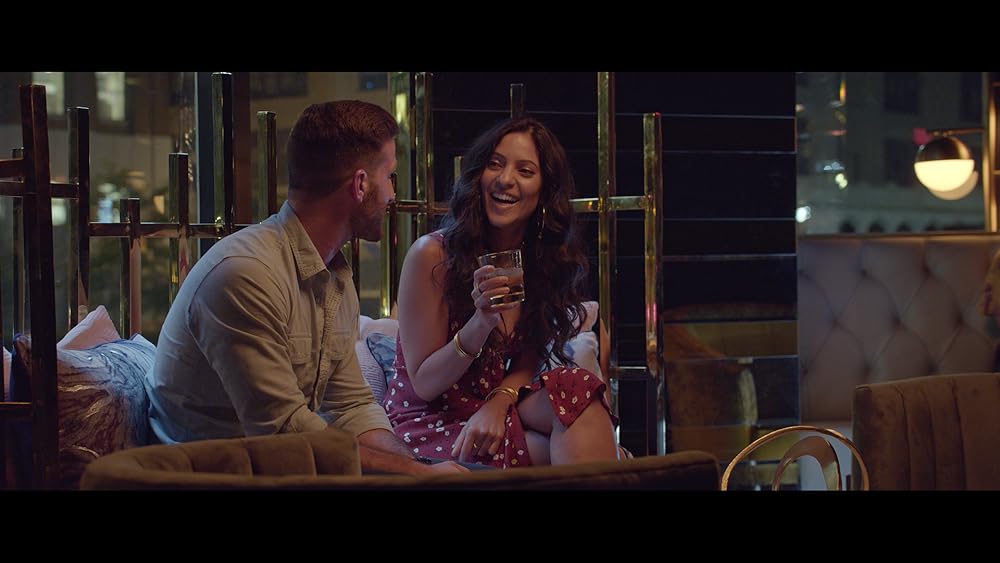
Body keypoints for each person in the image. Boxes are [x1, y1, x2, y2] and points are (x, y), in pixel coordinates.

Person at [144, 100, 465, 475]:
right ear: (360, 184)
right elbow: (284, 432)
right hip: (211, 477)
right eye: (390, 176)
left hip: (277, 468)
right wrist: (420, 474)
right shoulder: (244, 274)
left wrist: (416, 469)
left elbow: (351, 407)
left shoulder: (334, 274)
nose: (393, 194)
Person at [388, 116, 621, 468]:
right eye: (495, 164)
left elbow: (528, 356)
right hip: (432, 420)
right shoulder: (432, 256)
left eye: (525, 171)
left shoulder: (540, 261)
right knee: (558, 448)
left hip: (493, 406)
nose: (505, 179)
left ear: (545, 190)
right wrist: (481, 322)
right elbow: (425, 383)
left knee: (577, 390)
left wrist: (499, 401)